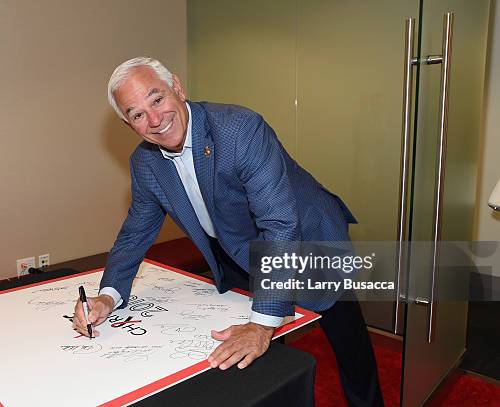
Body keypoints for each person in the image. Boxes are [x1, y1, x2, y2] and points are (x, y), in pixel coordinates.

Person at [73, 57, 383, 406]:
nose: (155, 120)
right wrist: (107, 296)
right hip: (239, 245)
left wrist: (262, 326)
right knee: (260, 359)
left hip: (311, 238)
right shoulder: (145, 163)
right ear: (128, 123)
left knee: (348, 345)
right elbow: (134, 234)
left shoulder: (239, 129)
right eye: (137, 113)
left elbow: (279, 223)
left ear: (177, 87)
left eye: (156, 99)